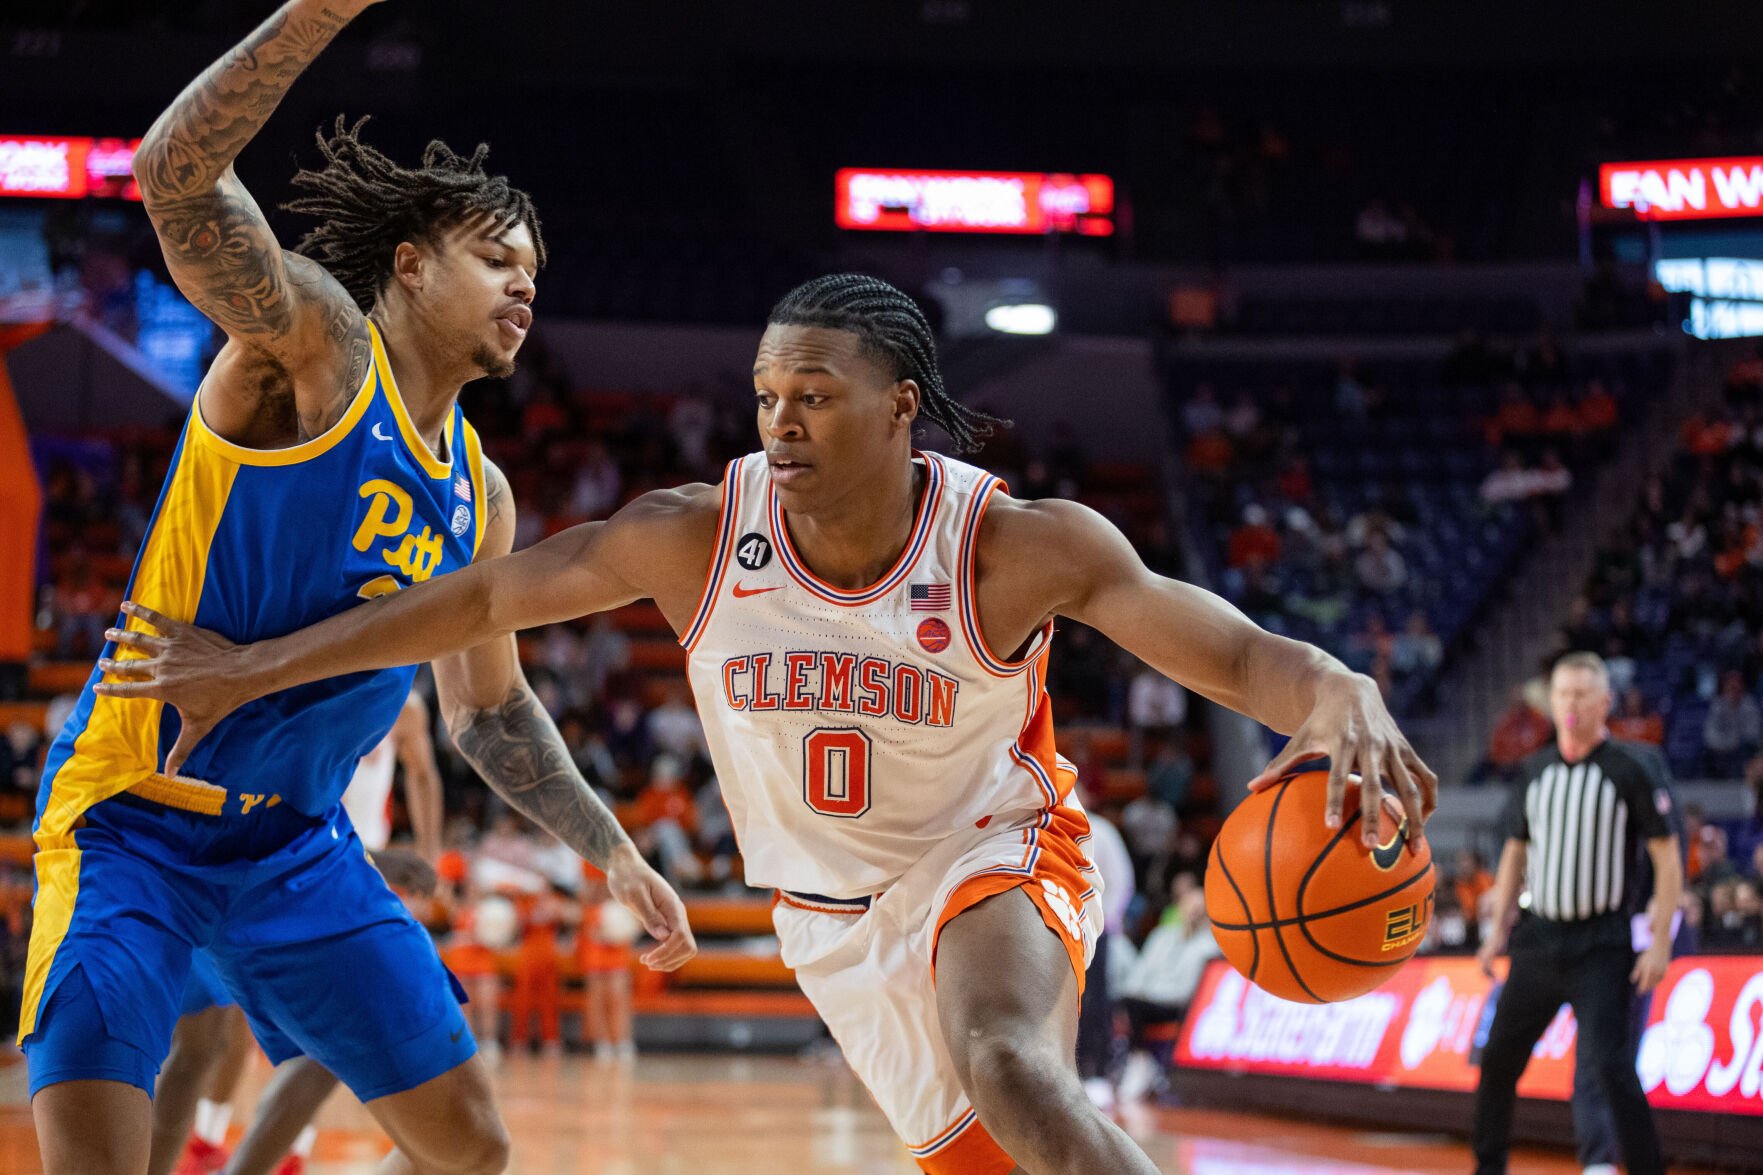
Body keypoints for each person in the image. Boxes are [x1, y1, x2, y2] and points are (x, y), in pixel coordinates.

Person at [101, 273, 1438, 1175]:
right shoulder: (696, 534)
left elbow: (1232, 647)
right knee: (989, 1135)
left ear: (899, 404)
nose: (780, 418)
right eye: (764, 393)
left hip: (990, 850)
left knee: (1013, 1061)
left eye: (813, 391)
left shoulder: (1009, 547)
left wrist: (1333, 687)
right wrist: (256, 663)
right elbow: (481, 595)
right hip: (823, 916)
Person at [21, 5, 693, 1172]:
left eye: (533, 271)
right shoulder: (316, 352)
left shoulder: (478, 496)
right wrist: (317, 12)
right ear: (411, 261)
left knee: (469, 1146)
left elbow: (487, 711)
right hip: (134, 816)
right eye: (497, 257)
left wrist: (612, 849)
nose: (523, 288)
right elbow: (173, 179)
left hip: (298, 849)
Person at [153, 689, 449, 1175]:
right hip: (296, 870)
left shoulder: (405, 707)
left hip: (338, 879)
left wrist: (431, 854)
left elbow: (423, 773)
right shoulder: (313, 688)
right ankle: (225, 1140)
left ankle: (266, 1145)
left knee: (305, 1047)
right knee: (223, 1037)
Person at [1472, 652, 1680, 1175]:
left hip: (1601, 945)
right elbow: (1515, 852)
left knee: (1613, 1069)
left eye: (1583, 694)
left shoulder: (1630, 766)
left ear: (1605, 702)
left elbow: (1667, 856)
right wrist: (1496, 932)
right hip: (1539, 942)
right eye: (1563, 693)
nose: (1571, 703)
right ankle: (1488, 1167)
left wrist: (1659, 943)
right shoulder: (1536, 770)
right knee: (1497, 1062)